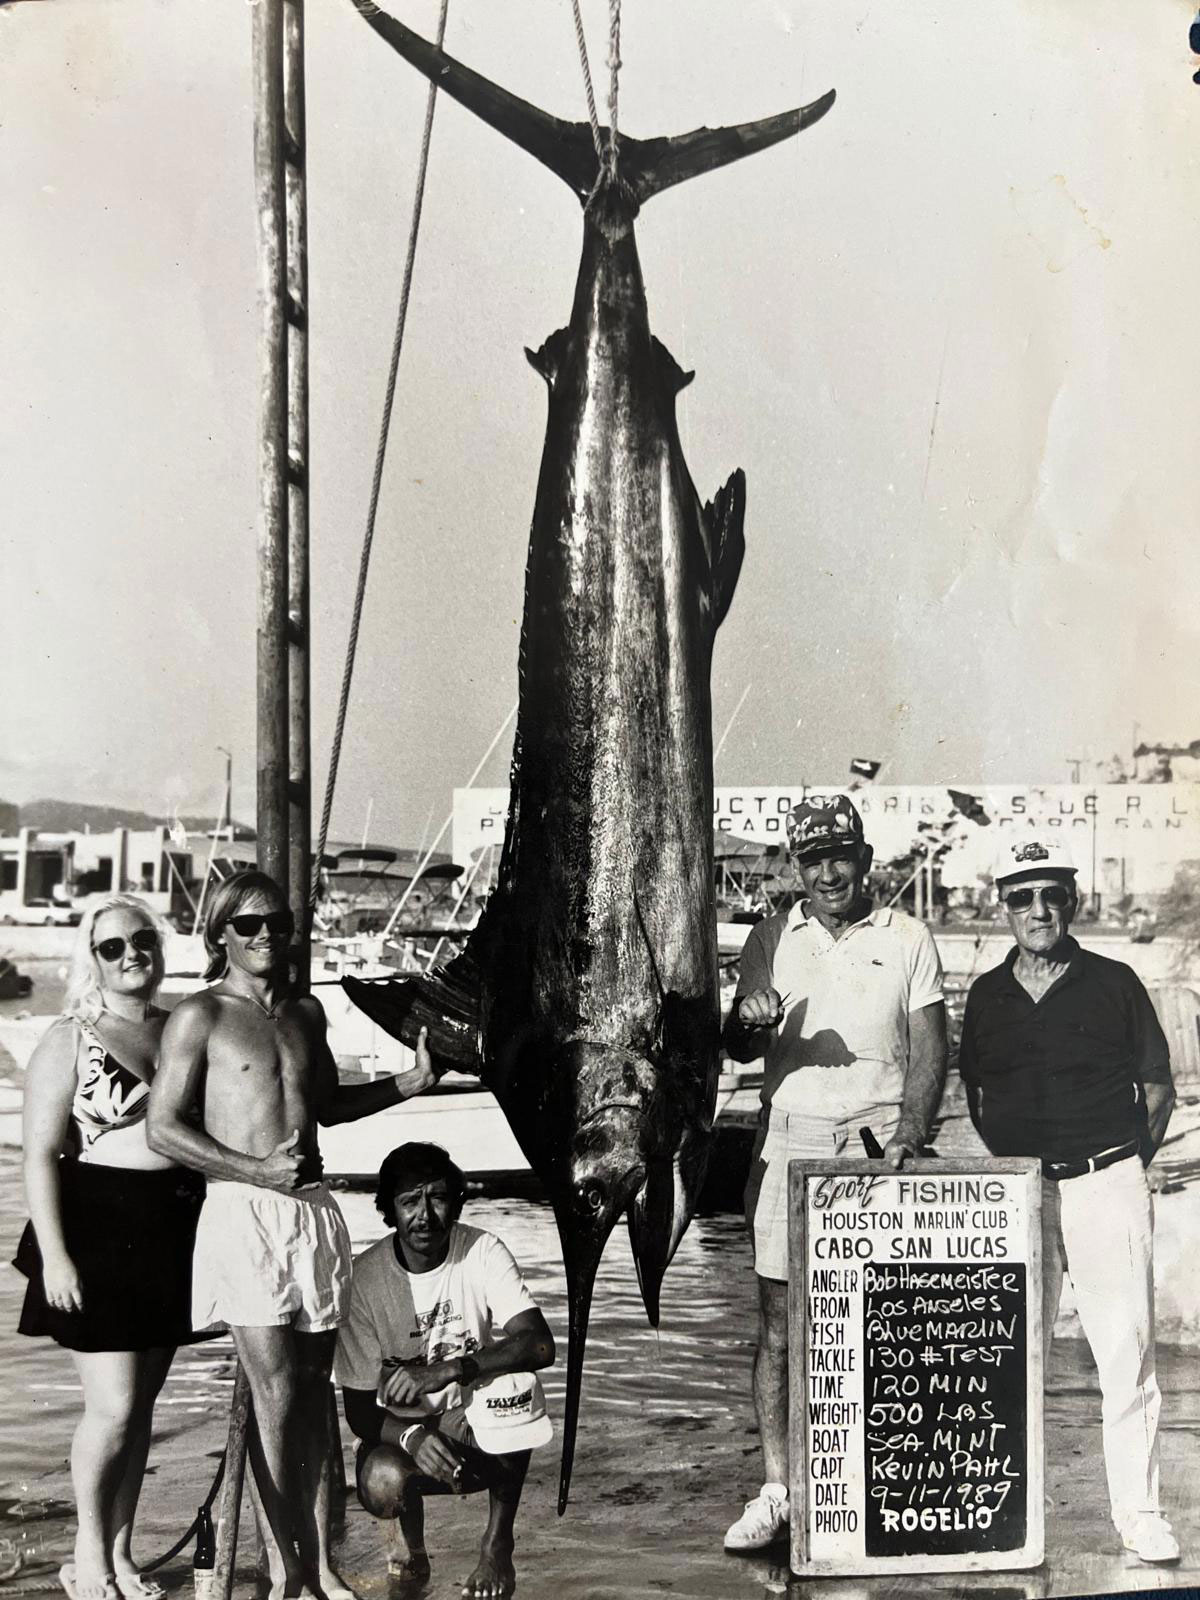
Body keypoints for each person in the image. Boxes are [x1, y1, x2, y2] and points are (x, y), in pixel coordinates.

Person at [146, 869, 438, 1600]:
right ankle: (287, 1573)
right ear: (220, 935)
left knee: (313, 1395)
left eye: (277, 922)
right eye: (249, 926)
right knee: (275, 1398)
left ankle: (321, 1567)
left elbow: (330, 1105)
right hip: (244, 1211)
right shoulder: (199, 1015)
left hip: (310, 1211)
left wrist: (408, 1083)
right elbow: (162, 1128)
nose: (267, 935)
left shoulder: (307, 1014)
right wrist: (255, 1170)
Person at [722, 794, 948, 1553]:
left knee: (882, 1320)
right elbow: (736, 1046)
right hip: (789, 1139)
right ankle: (780, 1489)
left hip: (877, 1142)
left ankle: (874, 1480)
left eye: (839, 856)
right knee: (780, 1325)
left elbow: (929, 1050)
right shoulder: (770, 937)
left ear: (865, 859)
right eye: (812, 859)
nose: (828, 872)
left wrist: (914, 1133)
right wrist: (746, 1019)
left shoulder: (909, 937)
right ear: (797, 867)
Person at [958, 836, 1179, 1564]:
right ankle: (1005, 1515)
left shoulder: (1115, 981)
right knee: (1011, 1357)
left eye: (1052, 893)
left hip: (1106, 1181)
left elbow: (1157, 1091)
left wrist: (1113, 1170)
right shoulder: (988, 994)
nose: (1038, 909)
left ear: (1073, 901)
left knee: (1126, 1354)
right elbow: (975, 1096)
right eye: (1022, 896)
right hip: (1021, 1191)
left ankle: (1140, 1514)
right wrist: (1020, 1170)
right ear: (1004, 906)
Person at [18, 895, 208, 1600]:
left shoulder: (182, 1026)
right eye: (112, 946)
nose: (132, 953)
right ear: (91, 957)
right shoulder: (69, 1037)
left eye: (142, 940)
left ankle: (124, 1555)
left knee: (143, 1410)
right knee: (114, 1408)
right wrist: (58, 1258)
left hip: (170, 1227)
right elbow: (38, 1156)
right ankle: (88, 1554)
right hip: (95, 1227)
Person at [337, 1142, 555, 1600]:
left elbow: (539, 1343)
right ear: (389, 1211)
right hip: (402, 1428)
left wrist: (449, 1369)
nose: (424, 1216)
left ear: (455, 1200)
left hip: (473, 1418)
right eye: (409, 1201)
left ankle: (498, 1543)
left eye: (436, 1197)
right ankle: (410, 1550)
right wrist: (413, 1437)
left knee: (518, 1383)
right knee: (381, 1482)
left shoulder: (482, 1250)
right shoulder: (365, 1280)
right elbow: (358, 1410)